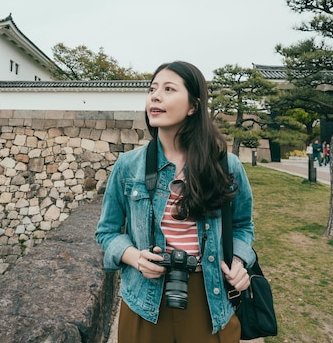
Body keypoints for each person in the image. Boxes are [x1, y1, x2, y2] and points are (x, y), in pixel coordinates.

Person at [95, 61, 255, 343]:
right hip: (144, 300)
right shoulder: (128, 166)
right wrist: (135, 257)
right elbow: (106, 232)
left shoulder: (225, 166)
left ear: (193, 106)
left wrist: (240, 261)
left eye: (169, 89)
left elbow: (243, 225)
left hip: (209, 297)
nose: (155, 96)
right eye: (152, 89)